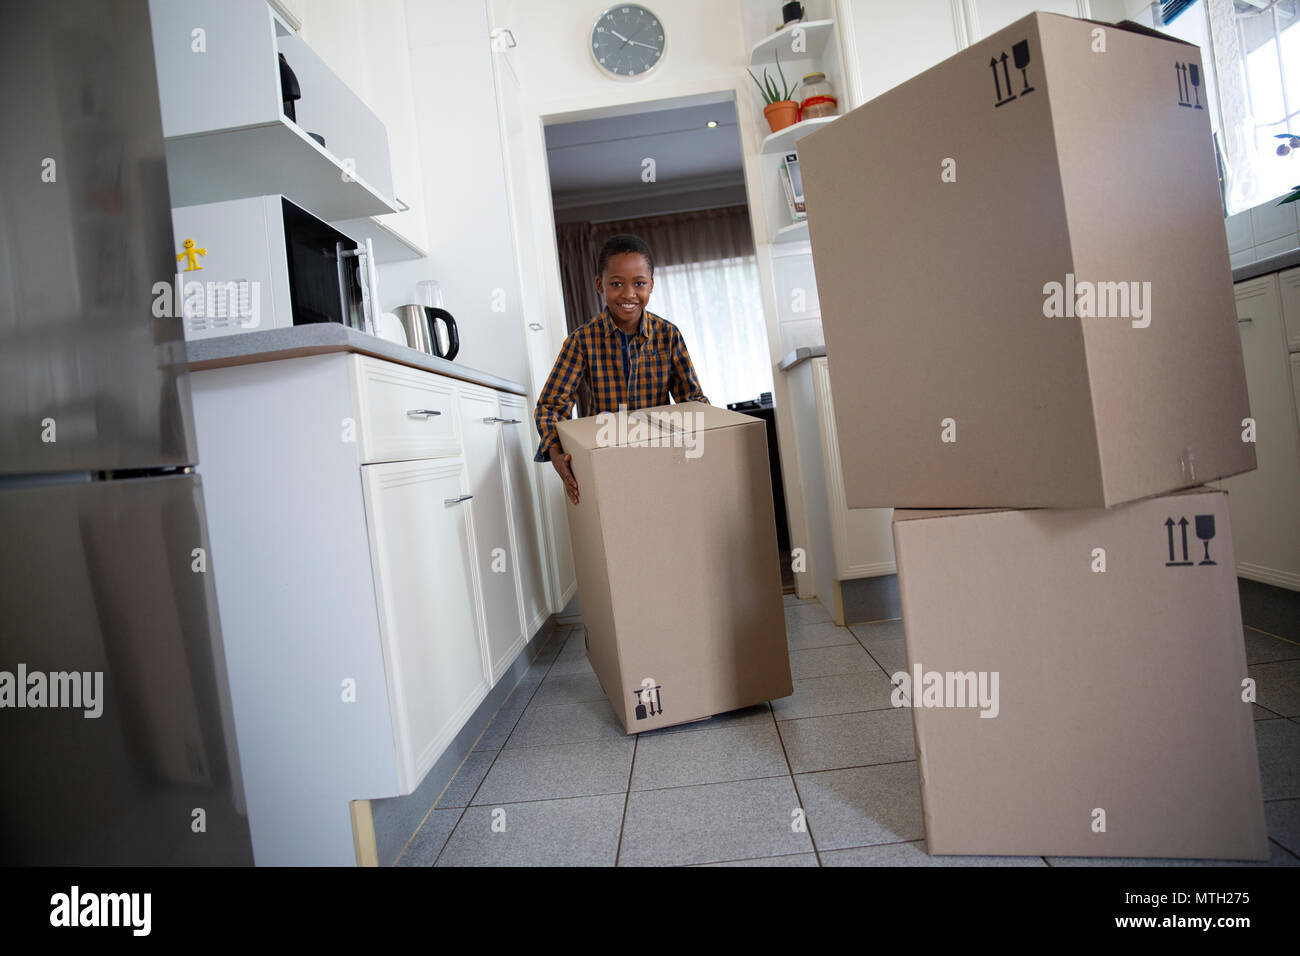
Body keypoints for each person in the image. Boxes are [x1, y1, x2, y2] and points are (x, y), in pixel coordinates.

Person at [534, 233, 709, 504]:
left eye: (639, 283)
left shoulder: (668, 335)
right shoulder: (581, 341)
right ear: (599, 285)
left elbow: (693, 401)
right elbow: (551, 406)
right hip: (604, 457)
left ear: (651, 285)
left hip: (661, 456)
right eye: (616, 284)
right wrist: (556, 455)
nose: (628, 294)